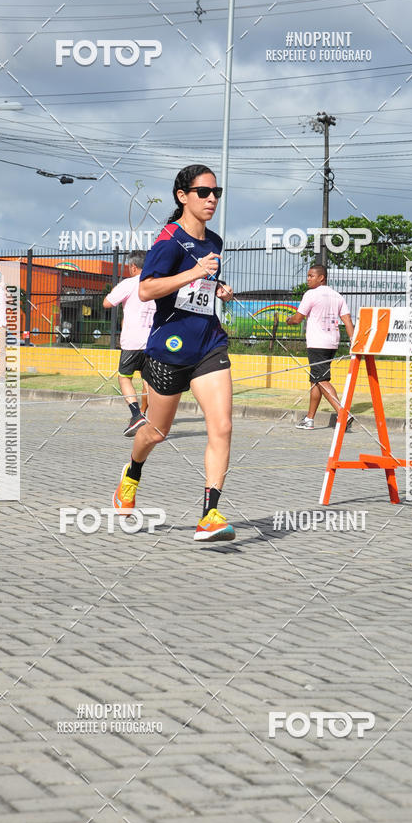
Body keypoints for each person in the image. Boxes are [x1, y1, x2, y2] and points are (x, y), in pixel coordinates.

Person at [113, 164, 235, 543]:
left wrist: (217, 289)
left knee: (223, 426)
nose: (212, 198)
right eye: (203, 192)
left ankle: (209, 514)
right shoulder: (168, 240)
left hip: (209, 345)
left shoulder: (214, 241)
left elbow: (200, 285)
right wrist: (194, 272)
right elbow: (147, 290)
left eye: (216, 192)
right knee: (155, 432)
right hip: (169, 349)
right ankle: (130, 476)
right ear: (183, 196)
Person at [286, 264, 355, 429]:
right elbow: (347, 320)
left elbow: (297, 318)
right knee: (315, 380)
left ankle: (343, 412)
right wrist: (353, 340)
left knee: (321, 379)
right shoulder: (337, 296)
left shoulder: (311, 294)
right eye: (308, 276)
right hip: (332, 343)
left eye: (311, 276)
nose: (308, 279)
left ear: (321, 277)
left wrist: (289, 320)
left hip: (317, 343)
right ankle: (309, 419)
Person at [103, 251, 156, 437]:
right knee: (148, 381)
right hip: (153, 342)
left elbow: (107, 303)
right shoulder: (156, 284)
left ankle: (136, 415)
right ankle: (152, 418)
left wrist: (118, 291)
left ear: (133, 267)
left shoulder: (129, 283)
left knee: (124, 378)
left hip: (133, 343)